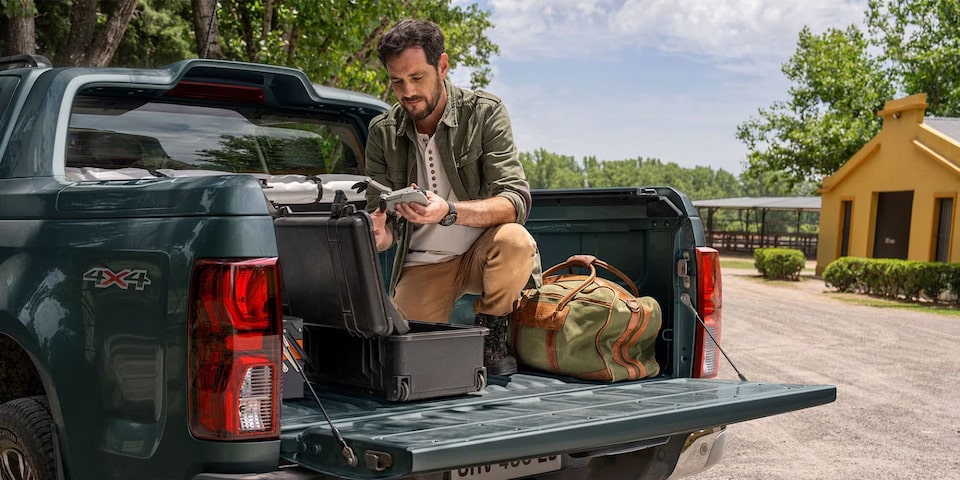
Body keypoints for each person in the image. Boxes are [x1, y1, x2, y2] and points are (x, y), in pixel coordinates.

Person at [364, 19, 540, 376]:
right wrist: (380, 236)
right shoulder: (382, 133)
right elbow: (380, 219)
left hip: (482, 251)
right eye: (397, 81)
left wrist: (449, 212)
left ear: (442, 66)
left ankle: (492, 334)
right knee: (404, 365)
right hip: (424, 264)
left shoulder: (484, 112)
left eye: (417, 78)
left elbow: (516, 200)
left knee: (515, 240)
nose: (407, 91)